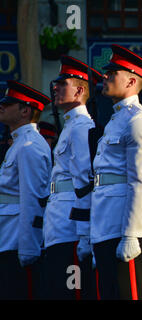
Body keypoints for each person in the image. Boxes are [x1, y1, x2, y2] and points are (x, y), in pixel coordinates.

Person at [91, 44, 142, 300]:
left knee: (130, 294)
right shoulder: (117, 119)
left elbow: (141, 181)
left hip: (125, 224)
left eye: (112, 73)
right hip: (106, 221)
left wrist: (131, 232)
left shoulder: (137, 120)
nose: (105, 76)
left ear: (132, 81)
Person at [43, 56, 102, 300]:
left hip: (71, 228)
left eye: (62, 83)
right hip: (59, 223)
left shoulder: (80, 127)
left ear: (79, 90)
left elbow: (84, 184)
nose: (55, 87)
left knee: (72, 293)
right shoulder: (70, 125)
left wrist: (84, 234)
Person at [0, 80, 52, 299]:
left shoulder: (30, 145)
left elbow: (33, 199)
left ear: (25, 111)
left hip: (16, 240)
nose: (1, 106)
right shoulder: (19, 143)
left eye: (8, 102)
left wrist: (29, 246)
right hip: (7, 235)